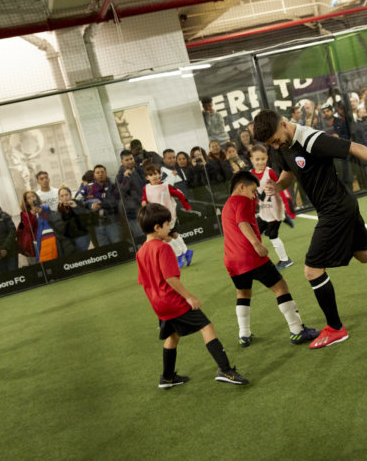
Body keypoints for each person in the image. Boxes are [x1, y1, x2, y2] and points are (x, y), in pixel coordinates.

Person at [252, 109, 367, 349]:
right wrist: (277, 186)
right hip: (339, 206)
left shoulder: (311, 139)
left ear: (283, 124)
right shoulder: (280, 147)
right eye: (271, 144)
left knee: (312, 270)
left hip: (336, 209)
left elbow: (356, 148)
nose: (276, 146)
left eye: (276, 140)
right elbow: (288, 173)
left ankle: (335, 328)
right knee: (365, 254)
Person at [135, 203, 249, 387]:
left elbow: (143, 281)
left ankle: (167, 377)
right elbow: (171, 278)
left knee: (172, 336)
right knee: (207, 326)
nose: (169, 228)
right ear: (157, 228)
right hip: (172, 301)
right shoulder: (163, 248)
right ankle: (226, 371)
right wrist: (189, 297)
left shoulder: (141, 252)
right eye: (166, 225)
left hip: (158, 304)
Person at [221, 171, 319, 347]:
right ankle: (297, 330)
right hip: (250, 255)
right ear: (241, 187)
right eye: (252, 190)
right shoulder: (243, 200)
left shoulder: (228, 204)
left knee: (243, 293)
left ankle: (244, 334)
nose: (253, 195)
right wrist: (256, 244)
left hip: (231, 260)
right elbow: (242, 222)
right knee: (280, 287)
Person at [141, 164, 194, 269]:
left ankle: (179, 256)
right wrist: (143, 202)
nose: (154, 176)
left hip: (168, 215)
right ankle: (186, 251)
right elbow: (145, 198)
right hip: (156, 216)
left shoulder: (166, 186)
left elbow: (179, 194)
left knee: (165, 237)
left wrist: (186, 206)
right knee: (173, 234)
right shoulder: (146, 188)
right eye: (151, 175)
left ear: (159, 174)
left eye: (156, 173)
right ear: (147, 177)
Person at [249, 146, 293, 270]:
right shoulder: (250, 175)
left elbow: (280, 187)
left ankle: (285, 260)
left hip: (275, 210)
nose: (260, 162)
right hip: (263, 212)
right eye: (257, 159)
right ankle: (256, 262)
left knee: (272, 235)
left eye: (263, 159)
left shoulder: (270, 172)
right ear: (252, 160)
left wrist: (286, 204)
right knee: (254, 234)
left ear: (267, 158)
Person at [85, 165, 122, 246]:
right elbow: (83, 203)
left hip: (112, 221)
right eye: (97, 173)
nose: (100, 174)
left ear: (106, 173)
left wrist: (100, 205)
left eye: (102, 172)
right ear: (94, 175)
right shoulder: (88, 189)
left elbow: (115, 201)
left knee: (118, 245)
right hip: (98, 224)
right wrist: (92, 207)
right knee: (104, 249)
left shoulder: (112, 186)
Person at [19, 191, 59, 263]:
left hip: (48, 236)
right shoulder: (24, 213)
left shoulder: (44, 207)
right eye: (28, 198)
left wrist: (41, 212)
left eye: (33, 196)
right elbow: (28, 229)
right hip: (37, 239)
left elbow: (50, 219)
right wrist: (33, 216)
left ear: (36, 197)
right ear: (26, 201)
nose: (32, 199)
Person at [116, 149, 146, 239]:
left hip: (146, 207)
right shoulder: (120, 176)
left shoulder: (140, 170)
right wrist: (126, 178)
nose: (130, 161)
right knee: (141, 236)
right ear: (122, 162)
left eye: (131, 158)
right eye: (127, 160)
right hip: (133, 213)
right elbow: (121, 192)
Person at [52, 186, 91, 254]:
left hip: (81, 234)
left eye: (66, 195)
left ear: (71, 195)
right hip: (68, 238)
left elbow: (86, 216)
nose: (65, 197)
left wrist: (76, 207)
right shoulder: (59, 208)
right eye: (62, 196)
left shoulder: (77, 203)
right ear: (59, 197)